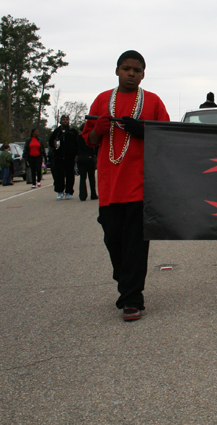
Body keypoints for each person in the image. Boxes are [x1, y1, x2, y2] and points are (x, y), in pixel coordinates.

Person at [82, 50, 170, 322]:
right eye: (126, 68)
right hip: (109, 187)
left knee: (135, 244)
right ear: (117, 70)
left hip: (139, 186)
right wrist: (100, 129)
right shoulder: (101, 100)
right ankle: (125, 281)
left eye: (137, 70)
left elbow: (166, 137)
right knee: (114, 241)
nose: (131, 73)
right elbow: (89, 140)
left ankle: (131, 299)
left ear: (143, 74)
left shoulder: (153, 101)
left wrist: (143, 130)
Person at [49, 115, 79, 199]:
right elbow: (51, 141)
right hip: (58, 156)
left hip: (70, 157)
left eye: (67, 119)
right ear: (61, 121)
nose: (65, 121)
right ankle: (60, 191)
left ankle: (69, 191)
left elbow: (77, 143)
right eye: (63, 119)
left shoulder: (73, 131)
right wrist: (53, 144)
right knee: (59, 175)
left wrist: (76, 154)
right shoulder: (57, 131)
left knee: (70, 175)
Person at [76, 126, 98, 201]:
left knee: (82, 177)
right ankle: (93, 194)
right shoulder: (90, 137)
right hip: (89, 157)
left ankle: (82, 195)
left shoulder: (78, 137)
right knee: (91, 177)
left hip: (81, 157)